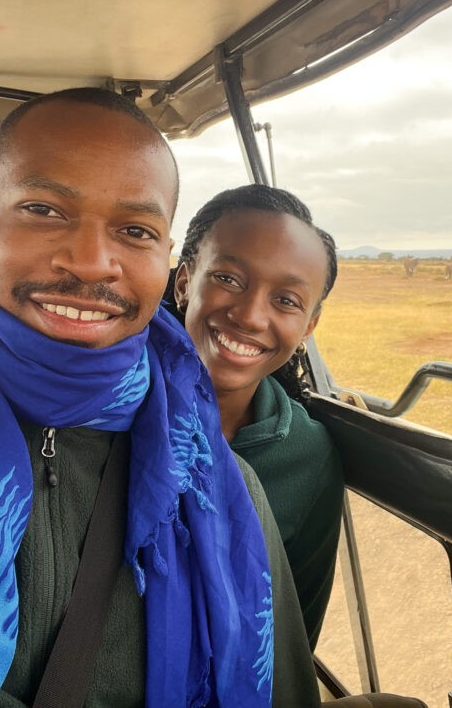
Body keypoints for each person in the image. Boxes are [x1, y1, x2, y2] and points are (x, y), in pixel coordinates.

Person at [0, 88, 320, 707]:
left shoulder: (215, 488)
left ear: (165, 258)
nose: (93, 263)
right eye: (44, 210)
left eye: (134, 230)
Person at [169, 185, 344, 650]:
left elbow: (290, 641)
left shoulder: (307, 455)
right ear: (185, 282)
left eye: (286, 300)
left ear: (308, 326)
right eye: (228, 279)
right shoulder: (102, 405)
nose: (249, 315)